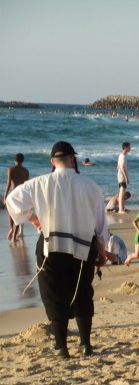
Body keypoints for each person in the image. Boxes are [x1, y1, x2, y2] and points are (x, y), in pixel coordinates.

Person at [5, 141, 109, 358]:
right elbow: (100, 223)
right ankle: (85, 345)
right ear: (73, 159)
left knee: (54, 294)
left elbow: (11, 200)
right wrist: (102, 249)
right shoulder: (90, 186)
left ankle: (61, 347)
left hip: (51, 246)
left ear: (53, 162)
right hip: (83, 246)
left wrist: (32, 218)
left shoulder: (40, 183)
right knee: (82, 293)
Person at [4, 153, 29, 241]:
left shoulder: (11, 169)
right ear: (22, 161)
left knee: (11, 213)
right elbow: (27, 185)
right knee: (19, 215)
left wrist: (5, 196)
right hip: (22, 193)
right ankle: (14, 236)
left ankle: (11, 228)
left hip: (13, 193)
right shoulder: (26, 171)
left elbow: (8, 183)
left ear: (15, 160)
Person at [117, 142, 131, 213]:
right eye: (129, 147)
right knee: (122, 191)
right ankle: (120, 209)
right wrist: (126, 177)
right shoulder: (123, 156)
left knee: (123, 191)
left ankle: (123, 208)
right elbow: (121, 167)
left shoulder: (121, 155)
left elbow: (118, 166)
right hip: (122, 176)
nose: (130, 148)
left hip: (120, 175)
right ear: (125, 147)